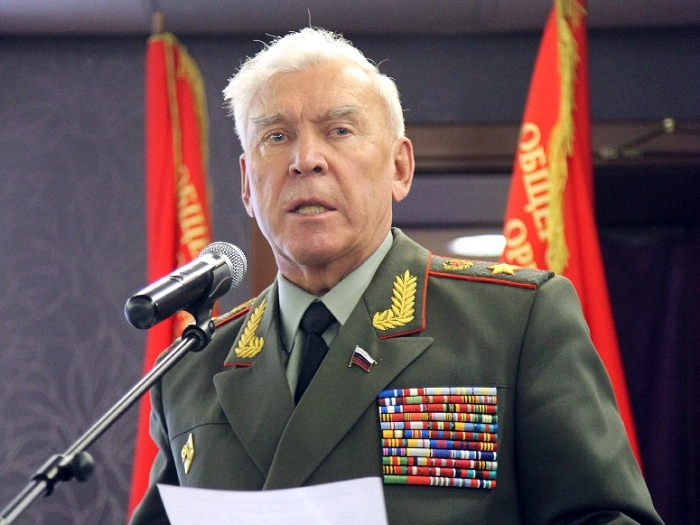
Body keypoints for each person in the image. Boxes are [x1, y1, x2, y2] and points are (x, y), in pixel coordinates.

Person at [130, 28, 662, 524]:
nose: (305, 159)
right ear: (248, 185)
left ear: (399, 168)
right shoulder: (191, 369)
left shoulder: (515, 323)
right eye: (276, 136)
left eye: (339, 131)